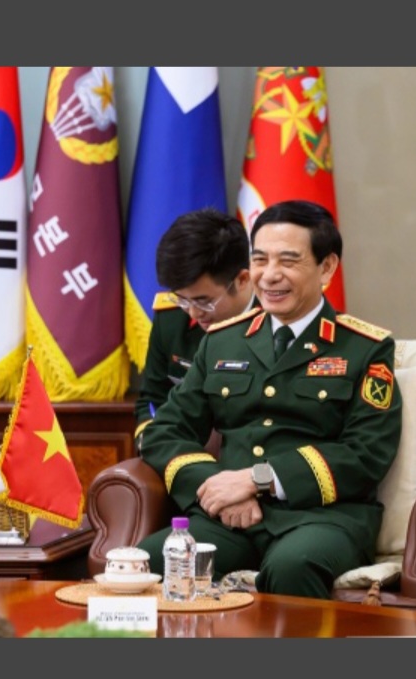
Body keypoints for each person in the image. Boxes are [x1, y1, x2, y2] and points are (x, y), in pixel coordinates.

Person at [136, 199, 402, 600]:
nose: (270, 275)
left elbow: (367, 453)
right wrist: (216, 488)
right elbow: (165, 431)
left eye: (288, 261)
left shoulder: (365, 348)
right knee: (150, 560)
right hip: (230, 521)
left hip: (322, 520)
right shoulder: (222, 341)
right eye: (260, 259)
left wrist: (257, 479)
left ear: (327, 267)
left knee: (293, 565)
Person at [134, 208, 255, 451]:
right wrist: (153, 443)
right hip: (187, 456)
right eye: (182, 299)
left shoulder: (280, 321)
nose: (192, 312)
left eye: (203, 301)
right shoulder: (171, 319)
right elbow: (153, 399)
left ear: (242, 280)